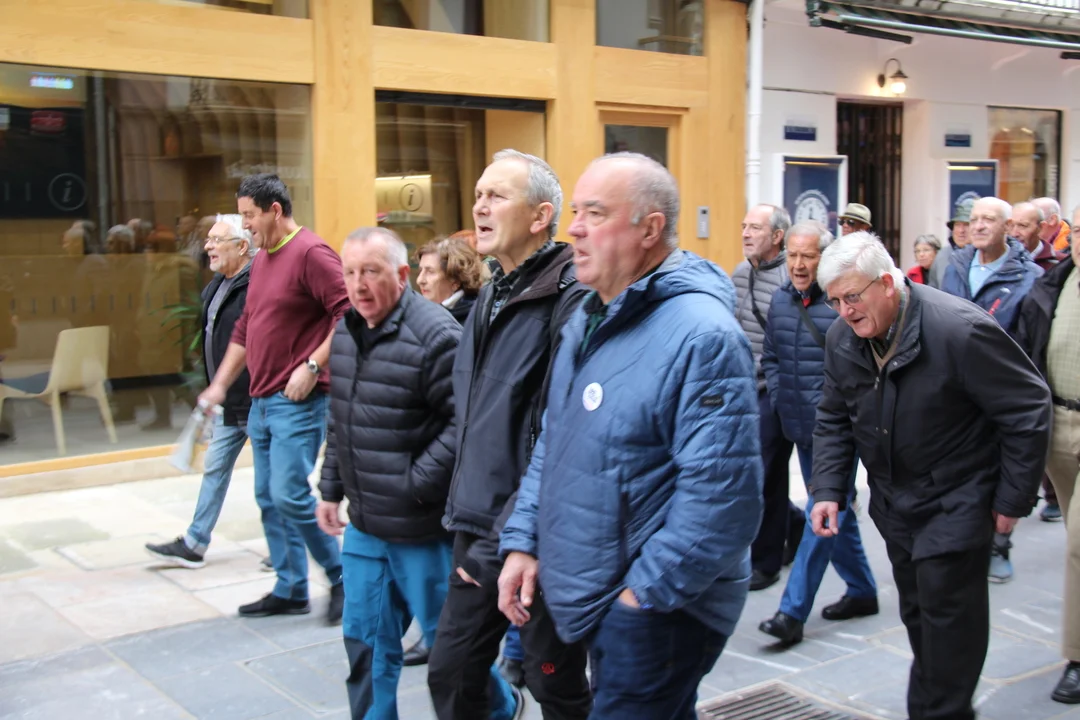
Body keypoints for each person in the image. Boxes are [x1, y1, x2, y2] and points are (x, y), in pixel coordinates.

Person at [498, 152, 763, 719]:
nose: (574, 228)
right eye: (575, 211)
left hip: (661, 610)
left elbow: (723, 500)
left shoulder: (703, 336)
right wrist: (525, 540)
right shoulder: (591, 318)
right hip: (604, 593)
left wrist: (640, 600)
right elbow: (556, 443)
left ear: (650, 229)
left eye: (596, 213)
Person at [811, 231, 1051, 720]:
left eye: (851, 297)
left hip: (958, 502)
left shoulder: (959, 330)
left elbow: (1028, 407)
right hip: (895, 505)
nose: (844, 311)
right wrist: (829, 489)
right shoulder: (842, 337)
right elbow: (835, 416)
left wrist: (1012, 500)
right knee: (921, 619)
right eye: (834, 301)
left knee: (949, 631)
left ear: (887, 283)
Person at [428, 149, 591, 720]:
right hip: (478, 525)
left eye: (496, 196)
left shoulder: (571, 296)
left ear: (541, 216)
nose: (479, 206)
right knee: (451, 673)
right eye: (478, 194)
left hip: (534, 533)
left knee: (555, 683)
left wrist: (512, 536)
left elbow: (559, 434)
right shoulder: (493, 292)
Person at [315, 227, 462, 720]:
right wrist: (330, 487)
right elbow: (341, 416)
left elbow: (465, 425)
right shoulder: (344, 332)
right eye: (350, 273)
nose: (358, 285)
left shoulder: (437, 335)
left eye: (371, 272)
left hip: (422, 530)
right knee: (366, 643)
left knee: (451, 650)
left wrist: (414, 484)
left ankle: (499, 709)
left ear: (401, 275)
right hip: (365, 526)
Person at [198, 174, 350, 624]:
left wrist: (313, 366)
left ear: (275, 210)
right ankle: (290, 588)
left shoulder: (311, 253)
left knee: (289, 495)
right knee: (269, 498)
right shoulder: (263, 258)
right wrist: (220, 385)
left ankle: (340, 575)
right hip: (260, 401)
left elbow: (348, 313)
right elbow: (246, 328)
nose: (245, 225)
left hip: (297, 401)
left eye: (249, 215)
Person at [758, 221, 877, 647]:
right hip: (797, 425)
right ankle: (862, 591)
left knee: (822, 513)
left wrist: (835, 414)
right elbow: (771, 356)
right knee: (835, 510)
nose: (798, 264)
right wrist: (780, 398)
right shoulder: (780, 299)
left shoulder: (842, 302)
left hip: (837, 433)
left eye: (807, 256)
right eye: (792, 255)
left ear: (823, 258)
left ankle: (791, 613)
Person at [941, 197, 1044, 582]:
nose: (979, 226)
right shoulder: (952, 266)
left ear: (1007, 227)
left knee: (1002, 467)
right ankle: (962, 540)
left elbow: (1032, 343)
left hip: (1002, 389)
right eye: (974, 219)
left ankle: (1000, 544)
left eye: (989, 219)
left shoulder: (1029, 276)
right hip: (953, 388)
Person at [146, 215, 258, 568]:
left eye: (217, 240)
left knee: (275, 483)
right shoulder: (216, 285)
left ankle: (286, 549)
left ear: (242, 246)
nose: (208, 246)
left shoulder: (258, 285)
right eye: (208, 239)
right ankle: (195, 543)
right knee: (215, 468)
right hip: (228, 402)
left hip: (258, 400)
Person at [404, 233, 492, 669]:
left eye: (428, 272)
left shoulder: (463, 320)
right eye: (418, 271)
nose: (420, 280)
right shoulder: (431, 314)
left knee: (443, 550)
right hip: (434, 453)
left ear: (454, 277)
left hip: (452, 456)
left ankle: (441, 634)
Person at [1017, 205, 1080, 704]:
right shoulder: (1055, 283)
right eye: (1079, 230)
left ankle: (1076, 657)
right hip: (1058, 425)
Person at [734, 204, 799, 591]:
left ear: (777, 236)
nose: (745, 233)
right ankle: (795, 523)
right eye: (744, 226)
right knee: (753, 473)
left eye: (755, 228)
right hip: (742, 389)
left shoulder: (793, 277)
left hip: (775, 391)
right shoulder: (740, 273)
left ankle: (766, 562)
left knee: (765, 476)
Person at [414, 236, 489, 324]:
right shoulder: (422, 314)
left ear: (455, 280)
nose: (419, 280)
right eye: (420, 271)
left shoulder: (477, 319)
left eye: (430, 272)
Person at [929, 199, 974, 289]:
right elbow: (933, 289)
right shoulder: (942, 255)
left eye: (966, 225)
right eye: (957, 225)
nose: (961, 230)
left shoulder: (983, 257)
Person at [1012, 201, 1065, 272]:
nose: (1014, 234)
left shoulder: (1061, 263)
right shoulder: (999, 260)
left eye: (1022, 226)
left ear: (1041, 227)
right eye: (1010, 226)